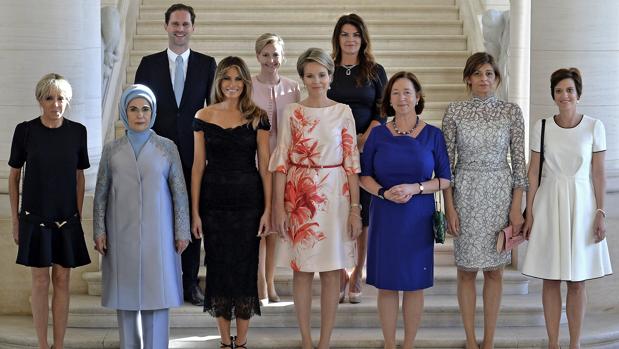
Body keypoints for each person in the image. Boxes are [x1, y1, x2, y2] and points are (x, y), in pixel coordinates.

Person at [270, 47, 363, 349]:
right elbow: (281, 160)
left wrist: (355, 210)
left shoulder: (343, 112)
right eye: (310, 75)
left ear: (330, 77)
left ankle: (325, 342)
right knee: (303, 270)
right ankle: (306, 341)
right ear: (302, 79)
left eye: (321, 74)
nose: (316, 80)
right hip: (300, 195)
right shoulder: (292, 112)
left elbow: (352, 162)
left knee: (332, 270)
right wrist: (279, 209)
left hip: (336, 194)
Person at [93, 84, 190, 349]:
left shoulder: (166, 147)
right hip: (120, 233)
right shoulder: (112, 150)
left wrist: (182, 231)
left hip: (159, 235)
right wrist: (99, 230)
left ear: (153, 112)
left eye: (145, 109)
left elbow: (179, 192)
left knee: (156, 298)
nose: (140, 115)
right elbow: (100, 193)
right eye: (133, 109)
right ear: (125, 113)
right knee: (125, 301)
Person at [441, 52, 527, 349]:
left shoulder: (511, 112)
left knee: (495, 271)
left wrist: (517, 207)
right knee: (465, 271)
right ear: (468, 78)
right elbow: (446, 166)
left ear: (496, 78)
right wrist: (448, 206)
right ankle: (470, 340)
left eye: (489, 73)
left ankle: (488, 341)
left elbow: (519, 163)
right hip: (465, 191)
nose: (483, 79)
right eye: (477, 74)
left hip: (500, 193)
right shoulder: (454, 111)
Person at [522, 68, 612, 349]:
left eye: (569, 90)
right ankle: (553, 343)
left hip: (583, 205)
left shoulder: (594, 126)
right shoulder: (542, 126)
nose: (564, 95)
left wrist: (600, 212)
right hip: (548, 202)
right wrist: (530, 212)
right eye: (559, 90)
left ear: (579, 94)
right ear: (553, 94)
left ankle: (574, 344)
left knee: (577, 281)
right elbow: (533, 172)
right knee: (550, 278)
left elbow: (598, 174)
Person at [360, 71, 451, 349]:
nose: (402, 98)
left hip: (418, 216)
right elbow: (364, 176)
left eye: (407, 92)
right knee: (387, 284)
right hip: (385, 214)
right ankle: (389, 344)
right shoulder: (377, 134)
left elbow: (445, 179)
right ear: (389, 99)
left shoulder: (433, 135)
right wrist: (385, 192)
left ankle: (409, 344)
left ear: (418, 97)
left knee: (414, 283)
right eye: (396, 92)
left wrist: (416, 188)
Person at [134, 3, 217, 306]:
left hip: (195, 154)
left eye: (185, 24)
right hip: (157, 153)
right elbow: (139, 110)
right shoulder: (149, 63)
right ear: (166, 26)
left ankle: (190, 283)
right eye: (175, 24)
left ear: (193, 27)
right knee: (159, 216)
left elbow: (212, 110)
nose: (180, 30)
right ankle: (159, 280)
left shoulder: (207, 64)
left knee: (193, 216)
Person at [191, 56, 271, 349]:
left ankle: (243, 340)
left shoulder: (258, 116)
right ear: (219, 82)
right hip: (213, 204)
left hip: (249, 204)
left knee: (245, 268)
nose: (232, 85)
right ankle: (225, 342)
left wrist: (269, 210)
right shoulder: (203, 115)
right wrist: (195, 213)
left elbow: (265, 166)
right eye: (227, 78)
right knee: (219, 269)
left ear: (246, 83)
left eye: (238, 79)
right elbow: (198, 167)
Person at [8, 73, 91, 349]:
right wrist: (16, 220)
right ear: (40, 100)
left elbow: (80, 177)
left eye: (61, 98)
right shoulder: (25, 131)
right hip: (34, 218)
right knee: (41, 280)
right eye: (50, 98)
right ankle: (43, 345)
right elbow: (13, 176)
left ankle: (59, 344)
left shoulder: (78, 131)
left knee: (63, 278)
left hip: (67, 219)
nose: (56, 104)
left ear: (67, 101)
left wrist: (78, 215)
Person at [328, 13, 388, 304]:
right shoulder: (328, 69)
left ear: (363, 39)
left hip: (366, 149)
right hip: (332, 150)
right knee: (338, 212)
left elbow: (382, 109)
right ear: (337, 39)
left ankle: (356, 275)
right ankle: (340, 273)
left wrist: (364, 138)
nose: (350, 40)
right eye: (345, 35)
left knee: (362, 215)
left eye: (355, 34)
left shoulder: (375, 71)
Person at [251, 33, 301, 305]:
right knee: (260, 223)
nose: (271, 60)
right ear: (258, 56)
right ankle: (259, 280)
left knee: (275, 227)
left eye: (276, 55)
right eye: (266, 54)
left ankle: (270, 281)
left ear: (283, 57)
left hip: (283, 163)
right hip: (255, 161)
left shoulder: (293, 87)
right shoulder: (248, 86)